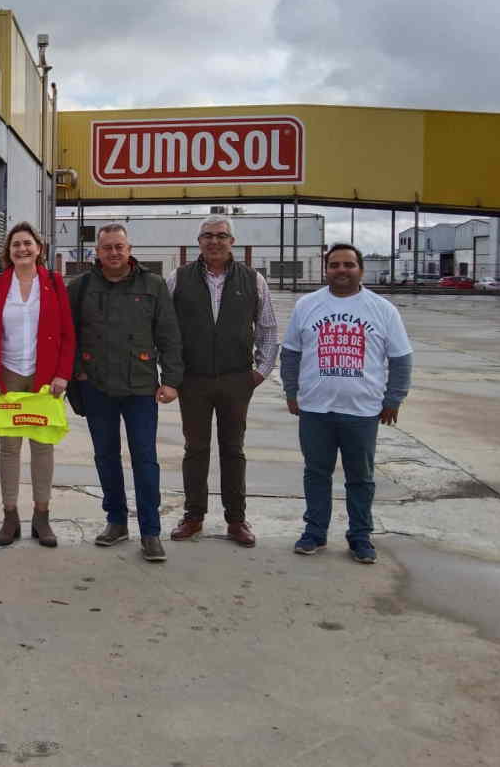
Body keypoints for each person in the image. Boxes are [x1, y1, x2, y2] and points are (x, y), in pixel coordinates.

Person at [280, 243, 413, 564]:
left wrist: (394, 398)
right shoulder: (307, 305)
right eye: (335, 265)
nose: (342, 270)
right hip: (314, 410)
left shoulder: (382, 309)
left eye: (348, 265)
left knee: (360, 478)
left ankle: (360, 536)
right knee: (316, 473)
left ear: (360, 270)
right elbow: (290, 354)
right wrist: (291, 391)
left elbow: (401, 359)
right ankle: (314, 532)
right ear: (326, 269)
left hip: (363, 411)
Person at [68, 223, 183, 562]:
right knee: (105, 457)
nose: (114, 253)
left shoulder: (154, 286)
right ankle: (116, 521)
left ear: (129, 249)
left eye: (119, 246)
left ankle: (151, 532)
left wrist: (172, 379)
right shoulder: (81, 287)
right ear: (97, 252)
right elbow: (69, 334)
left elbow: (169, 335)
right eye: (107, 247)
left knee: (145, 460)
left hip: (140, 388)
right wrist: (77, 375)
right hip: (97, 386)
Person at [166, 216, 278, 548]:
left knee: (233, 449)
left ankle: (236, 520)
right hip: (194, 380)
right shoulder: (178, 278)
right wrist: (172, 373)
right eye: (208, 236)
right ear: (198, 241)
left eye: (221, 236)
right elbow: (165, 329)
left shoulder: (253, 280)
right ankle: (193, 517)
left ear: (232, 242)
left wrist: (258, 373)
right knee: (195, 449)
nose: (214, 241)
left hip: (236, 380)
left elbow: (268, 331)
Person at [0, 221, 75, 547]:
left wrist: (62, 374)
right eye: (16, 244)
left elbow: (67, 334)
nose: (22, 249)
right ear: (8, 251)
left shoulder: (54, 282)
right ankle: (10, 516)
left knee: (42, 445)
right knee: (9, 448)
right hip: (8, 374)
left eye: (27, 243)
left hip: (44, 377)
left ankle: (42, 517)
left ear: (39, 249)